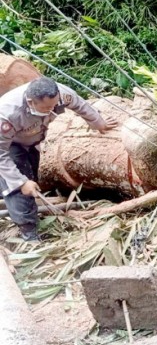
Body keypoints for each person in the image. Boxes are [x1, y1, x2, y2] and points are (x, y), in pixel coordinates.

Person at [0, 77, 118, 241]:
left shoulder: (60, 93)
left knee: (32, 178)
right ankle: (29, 233)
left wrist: (98, 123)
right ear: (30, 102)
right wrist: (20, 182)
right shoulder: (7, 113)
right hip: (10, 145)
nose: (53, 109)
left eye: (54, 105)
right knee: (20, 187)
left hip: (33, 140)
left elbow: (79, 104)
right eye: (47, 107)